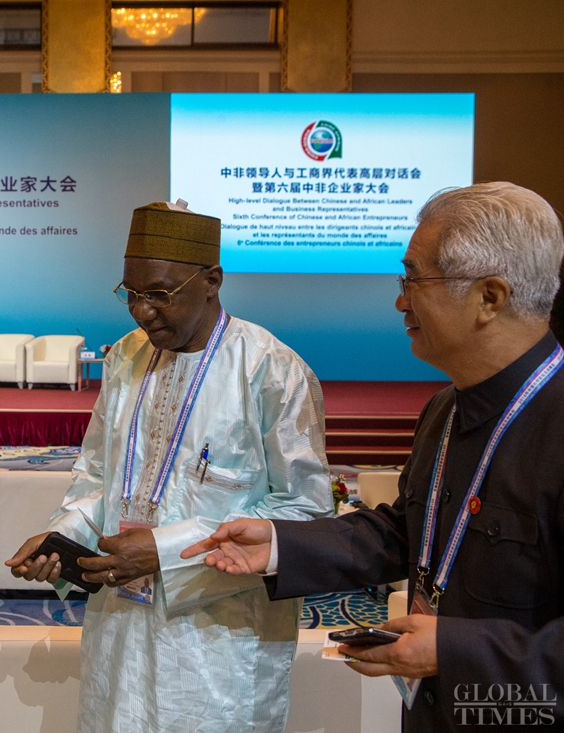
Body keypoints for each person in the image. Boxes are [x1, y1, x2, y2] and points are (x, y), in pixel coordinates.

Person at [187, 182, 564, 732]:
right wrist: (280, 544)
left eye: (414, 279)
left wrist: (453, 649)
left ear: (490, 297)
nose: (400, 301)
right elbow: (406, 534)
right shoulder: (446, 408)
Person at [5, 201, 332, 732]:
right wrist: (66, 537)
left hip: (218, 638)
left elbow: (305, 513)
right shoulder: (126, 357)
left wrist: (165, 550)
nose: (141, 312)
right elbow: (97, 475)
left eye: (159, 294)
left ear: (212, 281)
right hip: (121, 622)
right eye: (131, 293)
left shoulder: (271, 370)